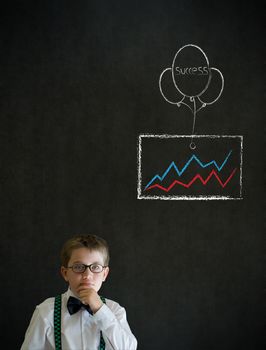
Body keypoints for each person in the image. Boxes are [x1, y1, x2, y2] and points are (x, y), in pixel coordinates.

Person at [21, 234, 137, 350]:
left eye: (95, 267)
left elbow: (128, 348)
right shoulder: (46, 311)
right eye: (78, 267)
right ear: (65, 273)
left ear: (105, 274)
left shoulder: (115, 310)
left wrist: (100, 311)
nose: (87, 275)